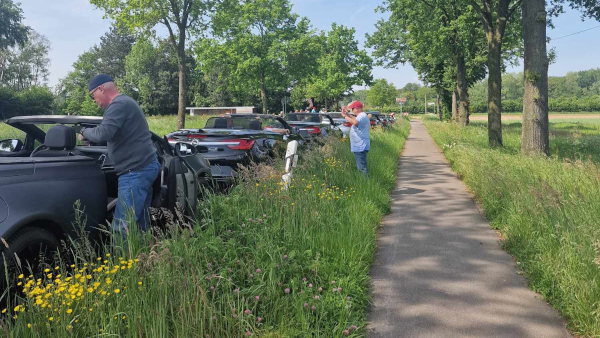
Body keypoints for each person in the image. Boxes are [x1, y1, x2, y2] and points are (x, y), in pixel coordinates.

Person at [78, 74, 160, 235]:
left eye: (92, 95)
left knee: (121, 226)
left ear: (101, 89)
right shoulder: (125, 103)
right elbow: (116, 134)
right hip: (143, 168)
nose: (93, 100)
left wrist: (83, 131)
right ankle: (140, 257)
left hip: (135, 171)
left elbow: (103, 133)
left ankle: (120, 260)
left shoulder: (118, 104)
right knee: (140, 224)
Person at [341, 100, 370, 176]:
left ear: (356, 108)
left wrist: (345, 116)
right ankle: (365, 182)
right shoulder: (362, 115)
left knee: (362, 168)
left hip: (360, 145)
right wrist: (347, 114)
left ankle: (365, 183)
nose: (352, 110)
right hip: (360, 145)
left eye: (352, 108)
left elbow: (355, 122)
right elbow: (355, 119)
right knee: (361, 166)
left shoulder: (362, 115)